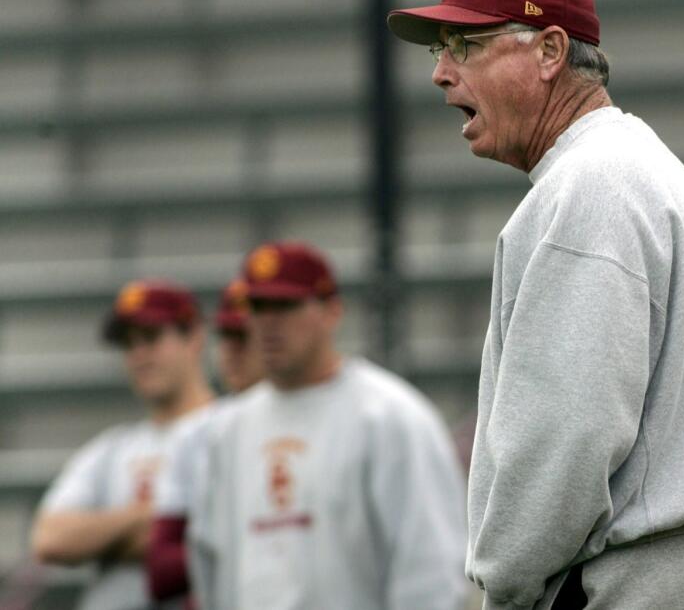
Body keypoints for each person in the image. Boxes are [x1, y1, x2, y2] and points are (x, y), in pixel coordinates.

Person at [388, 0, 684, 608]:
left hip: (625, 579)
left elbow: (566, 438)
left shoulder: (590, 188)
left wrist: (505, 584)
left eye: (466, 43)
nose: (441, 72)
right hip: (681, 567)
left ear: (549, 51)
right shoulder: (633, 164)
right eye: (440, 49)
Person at [191, 241, 467, 609]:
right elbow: (212, 564)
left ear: (332, 310)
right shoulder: (228, 430)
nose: (269, 322)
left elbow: (430, 567)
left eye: (287, 305)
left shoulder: (388, 416)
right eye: (258, 307)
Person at [31, 280, 214, 610]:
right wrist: (154, 517)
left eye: (152, 338)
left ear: (195, 337)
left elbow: (228, 533)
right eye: (128, 344)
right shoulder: (112, 447)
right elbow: (50, 539)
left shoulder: (227, 428)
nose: (139, 355)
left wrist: (102, 539)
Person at [146, 277, 264, 604]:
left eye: (244, 336)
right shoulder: (199, 434)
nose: (232, 350)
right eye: (225, 336)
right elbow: (161, 571)